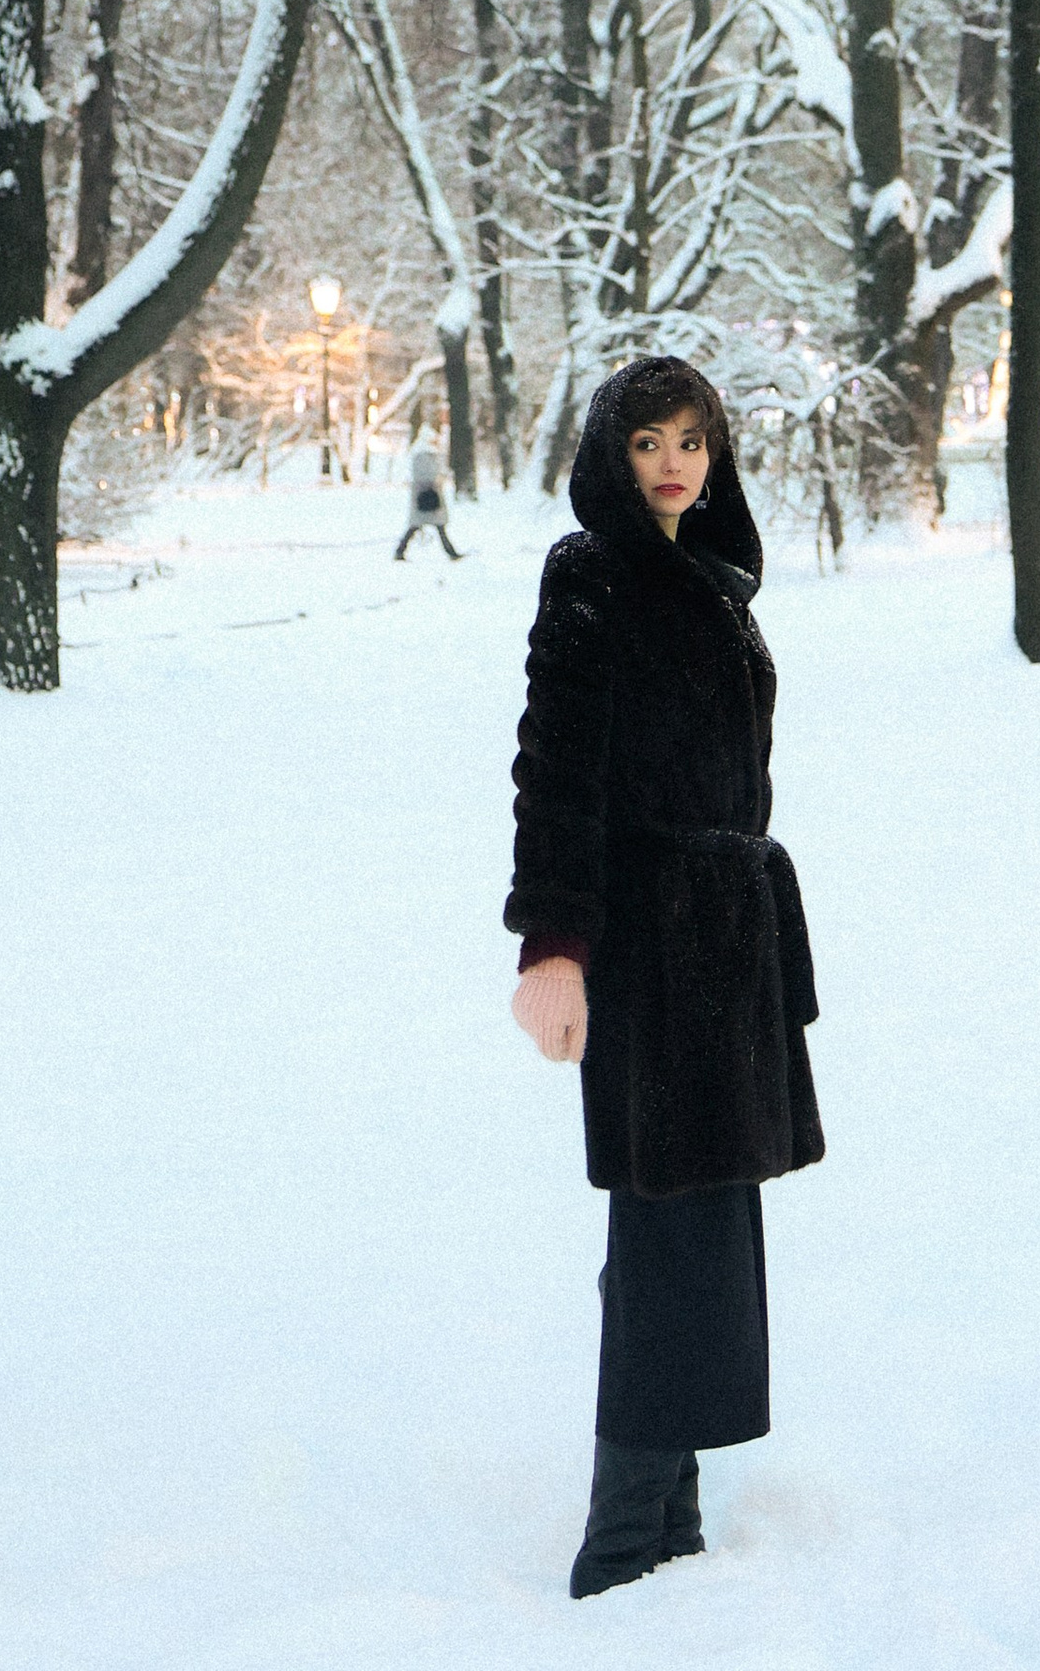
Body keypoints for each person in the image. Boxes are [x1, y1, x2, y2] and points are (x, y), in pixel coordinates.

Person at [504, 353, 823, 1598]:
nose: (672, 463)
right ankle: (621, 1548)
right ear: (610, 456)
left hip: (725, 943)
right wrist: (555, 947)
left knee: (705, 1225)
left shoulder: (714, 576)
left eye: (690, 439)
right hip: (646, 943)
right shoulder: (592, 573)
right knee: (663, 1231)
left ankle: (672, 1527)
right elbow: (555, 770)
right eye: (646, 443)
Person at [395, 434, 461, 562]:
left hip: (425, 496)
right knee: (436, 526)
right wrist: (438, 480)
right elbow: (429, 475)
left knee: (418, 526)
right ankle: (450, 552)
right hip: (428, 496)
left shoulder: (423, 455)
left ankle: (400, 550)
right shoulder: (425, 456)